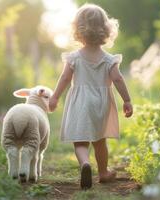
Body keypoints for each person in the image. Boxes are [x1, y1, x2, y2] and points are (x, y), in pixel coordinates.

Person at [49, 4, 133, 189]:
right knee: (100, 140)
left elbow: (64, 78)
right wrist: (127, 100)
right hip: (100, 103)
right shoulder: (109, 59)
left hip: (80, 102)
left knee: (80, 141)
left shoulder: (74, 58)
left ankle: (85, 163)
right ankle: (103, 172)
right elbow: (118, 79)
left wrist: (54, 97)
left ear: (78, 30)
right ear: (106, 30)